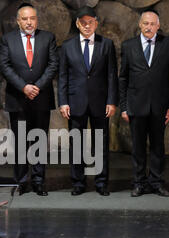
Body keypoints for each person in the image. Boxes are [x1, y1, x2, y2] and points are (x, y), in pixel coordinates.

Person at [119, 9, 169, 197]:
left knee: (157, 147)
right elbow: (123, 78)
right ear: (140, 25)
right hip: (136, 106)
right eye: (145, 23)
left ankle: (156, 182)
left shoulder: (168, 44)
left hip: (159, 106)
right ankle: (138, 183)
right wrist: (123, 106)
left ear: (158, 26)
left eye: (152, 24)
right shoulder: (128, 46)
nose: (149, 27)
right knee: (137, 148)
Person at [0, 3, 58, 196]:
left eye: (32, 18)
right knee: (20, 142)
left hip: (41, 98)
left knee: (40, 140)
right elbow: (5, 66)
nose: (29, 22)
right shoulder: (8, 39)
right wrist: (24, 87)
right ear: (18, 21)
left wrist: (37, 86)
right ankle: (22, 181)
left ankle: (39, 181)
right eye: (24, 19)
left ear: (37, 20)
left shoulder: (47, 37)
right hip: (18, 98)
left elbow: (53, 64)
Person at [58, 6, 118, 196]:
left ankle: (101, 182)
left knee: (100, 143)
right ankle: (78, 183)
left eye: (90, 22)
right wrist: (63, 102)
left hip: (101, 102)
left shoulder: (106, 44)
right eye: (83, 22)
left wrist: (111, 101)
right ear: (77, 24)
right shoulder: (67, 46)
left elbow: (111, 75)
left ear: (96, 23)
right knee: (77, 143)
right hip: (75, 102)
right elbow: (62, 77)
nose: (86, 26)